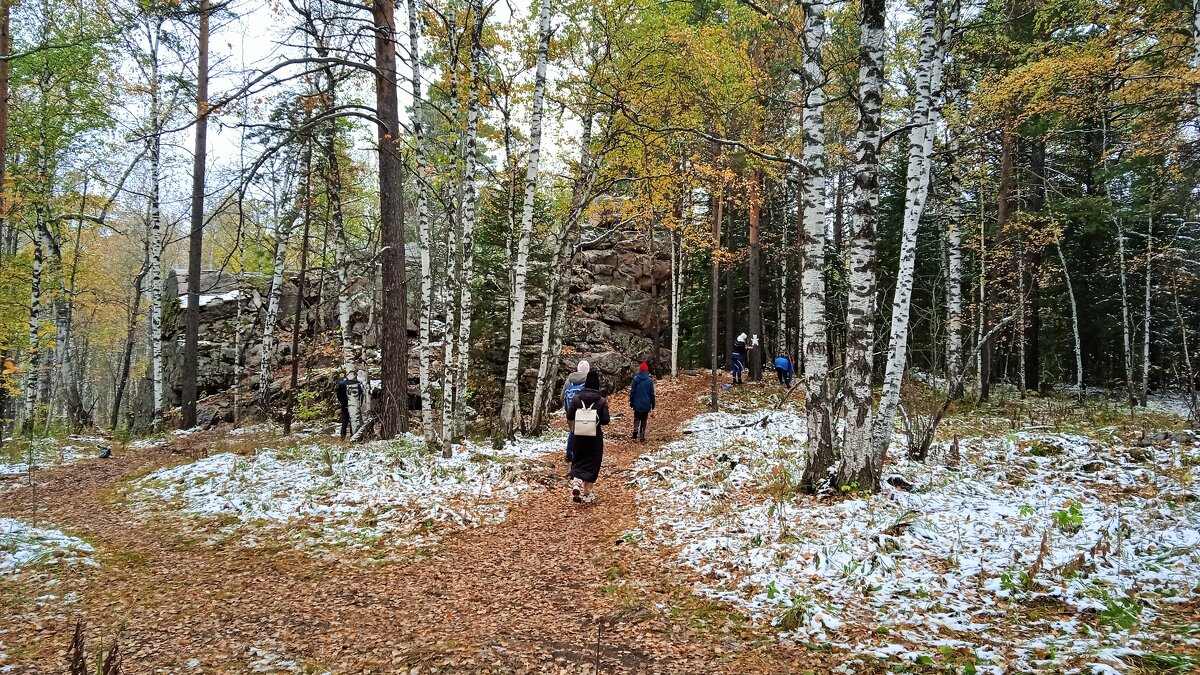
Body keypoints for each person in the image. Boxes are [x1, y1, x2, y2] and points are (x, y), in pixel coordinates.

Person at [566, 371, 610, 503]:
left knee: (578, 459)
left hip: (579, 436)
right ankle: (587, 492)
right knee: (593, 463)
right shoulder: (601, 401)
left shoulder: (577, 398)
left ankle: (576, 482)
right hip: (594, 437)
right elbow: (606, 420)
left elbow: (570, 416)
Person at [562, 360, 590, 463]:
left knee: (573, 432)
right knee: (584, 433)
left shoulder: (570, 379)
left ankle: (569, 454)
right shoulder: (588, 380)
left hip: (570, 411)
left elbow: (562, 396)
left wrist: (566, 407)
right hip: (584, 411)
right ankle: (582, 455)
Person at [629, 361, 655, 442]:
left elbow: (632, 392)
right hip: (646, 403)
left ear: (640, 370)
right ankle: (642, 435)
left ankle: (635, 430)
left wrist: (631, 401)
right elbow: (651, 393)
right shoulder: (649, 381)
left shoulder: (636, 379)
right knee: (644, 419)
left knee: (637, 418)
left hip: (637, 403)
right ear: (647, 370)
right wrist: (653, 403)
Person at [335, 371, 362, 440]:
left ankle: (343, 436)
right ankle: (353, 435)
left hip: (344, 405)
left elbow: (338, 395)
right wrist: (359, 404)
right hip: (354, 405)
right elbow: (361, 395)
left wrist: (342, 401)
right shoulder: (357, 385)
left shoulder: (342, 384)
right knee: (353, 420)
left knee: (345, 420)